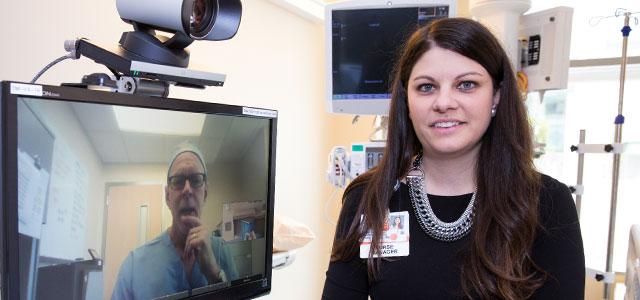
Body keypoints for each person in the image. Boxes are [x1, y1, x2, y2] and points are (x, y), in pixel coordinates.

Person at [322, 18, 584, 300]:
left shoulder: (546, 203)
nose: (444, 102)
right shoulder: (369, 198)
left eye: (467, 84)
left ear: (496, 96)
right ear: (406, 100)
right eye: (426, 87)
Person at [112, 143, 238, 300]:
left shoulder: (222, 252)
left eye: (196, 179)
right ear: (167, 197)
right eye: (178, 181)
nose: (187, 189)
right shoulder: (134, 266)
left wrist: (215, 276)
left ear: (205, 193)